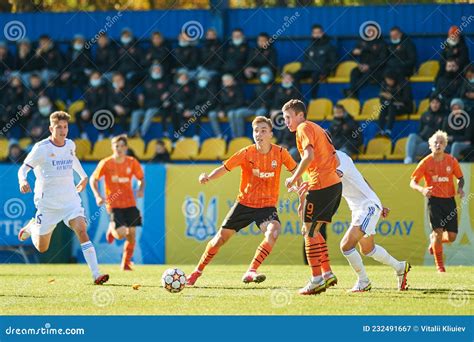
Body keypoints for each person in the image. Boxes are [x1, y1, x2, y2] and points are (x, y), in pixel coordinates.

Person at [186, 116, 297, 286]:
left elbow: (296, 171)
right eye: (256, 131)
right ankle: (196, 272)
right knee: (219, 240)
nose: (259, 134)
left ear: (270, 134)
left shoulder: (281, 153)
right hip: (244, 204)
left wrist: (300, 184)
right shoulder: (246, 153)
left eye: (263, 130)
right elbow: (225, 168)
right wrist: (208, 177)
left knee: (274, 231)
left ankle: (251, 270)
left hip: (266, 207)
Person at [297, 151, 410, 292]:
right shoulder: (321, 161)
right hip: (359, 209)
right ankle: (400, 267)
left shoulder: (339, 158)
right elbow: (362, 180)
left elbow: (331, 180)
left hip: (367, 207)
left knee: (346, 246)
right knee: (368, 249)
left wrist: (376, 204)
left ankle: (363, 282)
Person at [17, 111, 109, 285]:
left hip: (70, 201)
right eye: (58, 127)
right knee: (42, 248)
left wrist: (83, 176)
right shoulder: (41, 148)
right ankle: (32, 227)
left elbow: (72, 159)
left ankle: (96, 274)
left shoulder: (70, 145)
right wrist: (22, 180)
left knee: (82, 229)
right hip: (48, 204)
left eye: (65, 127)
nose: (62, 130)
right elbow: (23, 168)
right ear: (51, 128)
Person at [282, 99, 341, 295]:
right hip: (333, 185)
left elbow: (308, 156)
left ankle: (315, 279)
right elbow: (335, 158)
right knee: (315, 230)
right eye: (284, 118)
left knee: (309, 232)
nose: (287, 122)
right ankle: (327, 273)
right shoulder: (318, 128)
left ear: (300, 115)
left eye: (289, 117)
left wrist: (294, 177)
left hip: (321, 185)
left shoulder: (303, 128)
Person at [410, 130, 465, 273]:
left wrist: (460, 188)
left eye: (441, 142)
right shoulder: (425, 162)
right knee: (438, 232)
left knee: (452, 237)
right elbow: (413, 182)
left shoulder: (451, 160)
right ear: (430, 145)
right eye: (435, 142)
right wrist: (422, 190)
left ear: (445, 145)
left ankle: (434, 242)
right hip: (434, 201)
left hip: (449, 200)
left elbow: (460, 177)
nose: (438, 145)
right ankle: (440, 266)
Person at [90, 134, 145, 271]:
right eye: (116, 146)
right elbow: (93, 179)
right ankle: (112, 228)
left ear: (126, 148)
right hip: (114, 204)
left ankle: (125, 263)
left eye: (122, 146)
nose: (119, 149)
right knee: (121, 234)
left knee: (132, 235)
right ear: (112, 147)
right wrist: (97, 195)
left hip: (130, 204)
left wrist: (140, 189)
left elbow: (141, 178)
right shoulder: (106, 163)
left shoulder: (132, 162)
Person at [295, 24, 337, 98]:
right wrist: (303, 67)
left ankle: (313, 98)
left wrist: (326, 71)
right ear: (312, 34)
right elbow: (305, 60)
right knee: (295, 75)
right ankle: (298, 98)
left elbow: (333, 61)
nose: (317, 35)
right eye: (315, 33)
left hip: (320, 70)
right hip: (308, 69)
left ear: (322, 33)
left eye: (319, 32)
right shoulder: (309, 46)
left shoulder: (329, 46)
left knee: (315, 76)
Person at [404, 96, 446, 164]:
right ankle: (409, 158)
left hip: (434, 143)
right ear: (430, 104)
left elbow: (444, 133)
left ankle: (412, 161)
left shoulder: (444, 116)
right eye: (433, 102)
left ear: (440, 104)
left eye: (437, 103)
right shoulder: (425, 114)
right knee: (412, 136)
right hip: (423, 139)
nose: (435, 105)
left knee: (413, 148)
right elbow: (420, 130)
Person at [377, 71, 413, 136]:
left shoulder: (404, 84)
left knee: (391, 106)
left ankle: (388, 131)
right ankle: (380, 130)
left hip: (406, 107)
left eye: (390, 80)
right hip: (392, 106)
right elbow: (381, 100)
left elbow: (406, 99)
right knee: (384, 107)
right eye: (387, 80)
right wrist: (389, 100)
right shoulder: (385, 84)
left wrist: (391, 97)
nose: (388, 82)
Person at [77, 71, 108, 140]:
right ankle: (83, 134)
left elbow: (104, 104)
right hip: (89, 111)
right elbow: (85, 102)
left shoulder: (104, 89)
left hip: (100, 110)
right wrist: (85, 110)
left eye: (97, 78)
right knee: (77, 114)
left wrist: (90, 111)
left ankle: (101, 135)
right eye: (94, 78)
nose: (96, 79)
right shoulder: (87, 88)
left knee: (101, 114)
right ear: (90, 79)